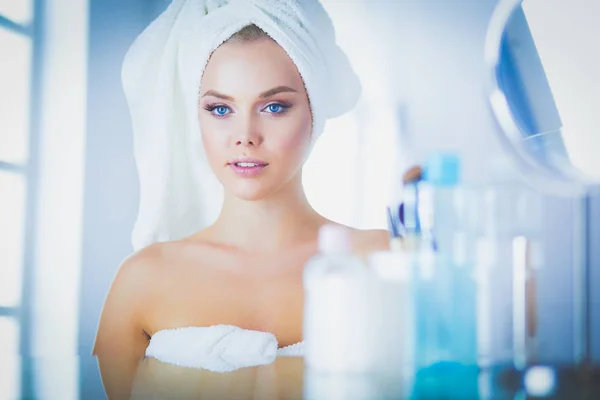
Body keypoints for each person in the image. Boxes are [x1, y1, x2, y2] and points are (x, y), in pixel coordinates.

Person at [93, 1, 389, 398]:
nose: (245, 135)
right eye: (220, 109)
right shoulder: (142, 278)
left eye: (273, 106)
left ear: (313, 111)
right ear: (196, 117)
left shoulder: (385, 261)